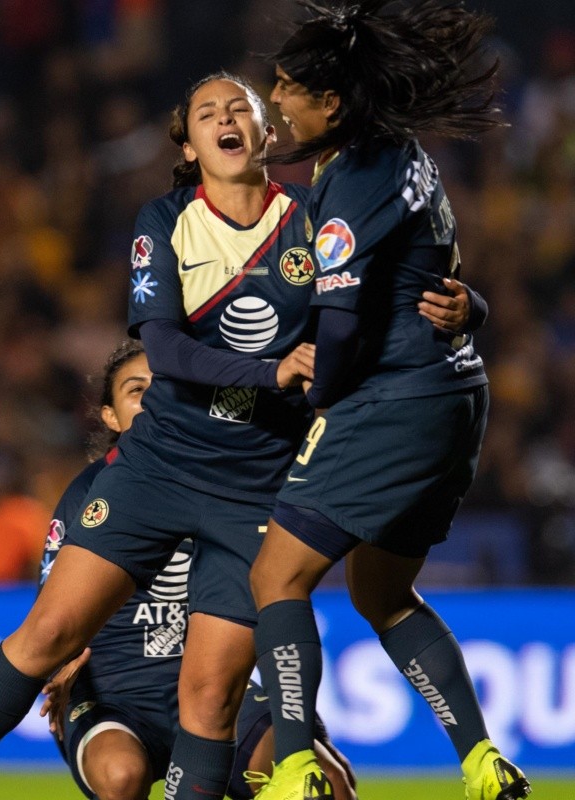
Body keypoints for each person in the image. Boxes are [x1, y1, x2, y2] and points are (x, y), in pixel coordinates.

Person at [0, 72, 480, 800]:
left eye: (243, 107)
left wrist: (472, 305)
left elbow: (405, 285)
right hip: (162, 467)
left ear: (269, 134)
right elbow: (166, 351)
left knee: (210, 701)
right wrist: (273, 373)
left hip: (260, 490)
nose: (228, 117)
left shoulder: (315, 214)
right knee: (48, 631)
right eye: (209, 112)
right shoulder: (165, 218)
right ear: (189, 142)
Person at [247, 3, 532, 799]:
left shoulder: (354, 182)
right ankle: (482, 761)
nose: (277, 100)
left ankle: (295, 764)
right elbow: (432, 276)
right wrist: (471, 306)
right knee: (380, 592)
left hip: (394, 402)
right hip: (452, 396)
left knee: (276, 578)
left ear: (332, 103)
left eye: (288, 87)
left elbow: (339, 330)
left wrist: (315, 402)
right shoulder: (402, 158)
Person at [38, 339, 358, 800]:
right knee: (120, 776)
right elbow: (54, 605)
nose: (150, 401)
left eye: (161, 387)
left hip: (214, 685)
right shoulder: (89, 494)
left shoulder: (235, 479)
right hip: (116, 691)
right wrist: (63, 665)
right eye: (135, 390)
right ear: (109, 416)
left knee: (330, 784)